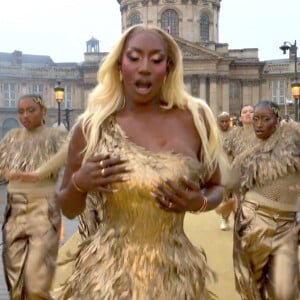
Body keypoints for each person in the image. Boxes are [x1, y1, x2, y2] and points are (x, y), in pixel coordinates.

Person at [54, 24, 224, 299]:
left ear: (168, 67)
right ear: (119, 64)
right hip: (107, 276)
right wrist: (79, 182)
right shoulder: (92, 127)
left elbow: (217, 187)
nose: (144, 67)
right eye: (134, 57)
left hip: (175, 274)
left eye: (156, 60)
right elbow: (68, 208)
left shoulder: (195, 120)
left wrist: (199, 202)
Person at [229, 101, 300, 300]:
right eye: (255, 119)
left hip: (286, 225)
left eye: (265, 119)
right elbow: (229, 181)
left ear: (277, 121)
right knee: (251, 284)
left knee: (285, 290)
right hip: (253, 221)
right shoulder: (245, 154)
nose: (258, 124)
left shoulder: (293, 136)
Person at [0, 94, 67, 299]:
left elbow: (67, 152)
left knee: (37, 281)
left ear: (43, 111)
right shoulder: (11, 136)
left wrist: (35, 174)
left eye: (31, 110)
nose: (25, 116)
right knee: (14, 277)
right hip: (14, 210)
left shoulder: (55, 135)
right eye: (21, 111)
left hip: (43, 209)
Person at [215, 112, 235, 231]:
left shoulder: (235, 133)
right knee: (225, 196)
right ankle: (225, 219)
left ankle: (239, 220)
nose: (224, 123)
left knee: (238, 196)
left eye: (226, 121)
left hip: (235, 168)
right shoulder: (214, 133)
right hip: (222, 170)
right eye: (221, 121)